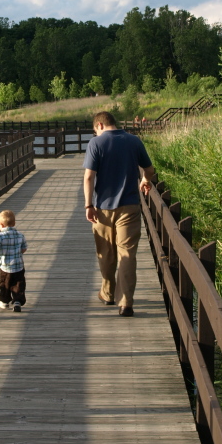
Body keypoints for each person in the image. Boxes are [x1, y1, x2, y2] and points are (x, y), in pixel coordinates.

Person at [83, 111, 155, 317]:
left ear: (99, 125)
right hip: (130, 206)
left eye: (95, 130)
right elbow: (149, 169)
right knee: (127, 253)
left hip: (102, 209)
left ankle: (107, 293)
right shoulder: (134, 141)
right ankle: (126, 302)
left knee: (105, 253)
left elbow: (89, 177)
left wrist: (89, 205)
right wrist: (145, 181)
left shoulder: (95, 144)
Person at [0, 209, 27, 312]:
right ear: (14, 223)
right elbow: (24, 249)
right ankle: (17, 301)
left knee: (4, 283)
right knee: (18, 284)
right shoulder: (20, 235)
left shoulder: (0, 236)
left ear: (1, 225)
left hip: (5, 266)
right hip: (18, 265)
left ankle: (4, 301)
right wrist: (17, 251)